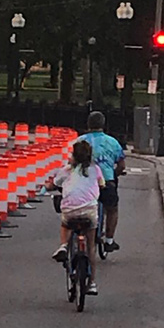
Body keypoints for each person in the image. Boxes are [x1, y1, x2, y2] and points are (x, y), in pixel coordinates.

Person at [49, 141, 105, 295]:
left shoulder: (67, 170)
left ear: (74, 155)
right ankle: (92, 283)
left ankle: (63, 245)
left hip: (70, 211)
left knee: (65, 224)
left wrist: (49, 186)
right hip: (89, 211)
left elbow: (53, 184)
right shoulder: (95, 169)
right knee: (90, 246)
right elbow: (102, 184)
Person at [77, 111, 125, 253]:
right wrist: (113, 176)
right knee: (112, 208)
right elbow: (122, 166)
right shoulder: (112, 142)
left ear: (88, 124)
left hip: (83, 182)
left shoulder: (79, 141)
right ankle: (109, 240)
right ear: (103, 125)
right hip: (106, 181)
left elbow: (70, 162)